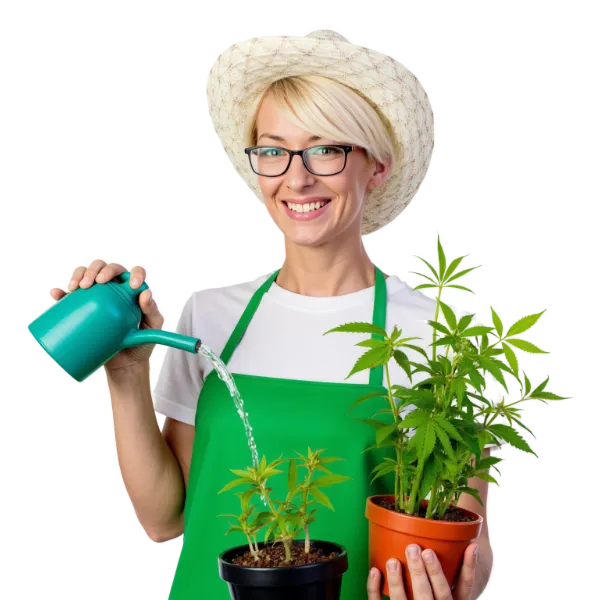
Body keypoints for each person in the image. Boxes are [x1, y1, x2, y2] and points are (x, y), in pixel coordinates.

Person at [48, 27, 497, 599]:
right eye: (273, 150)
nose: (297, 176)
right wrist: (129, 375)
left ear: (376, 165)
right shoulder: (213, 315)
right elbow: (165, 521)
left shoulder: (432, 329)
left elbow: (465, 531)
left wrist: (471, 571)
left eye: (327, 148)